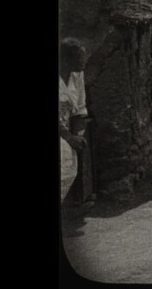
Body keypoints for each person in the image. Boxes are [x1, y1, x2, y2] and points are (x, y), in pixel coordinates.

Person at [60, 38, 89, 203]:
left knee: (70, 169)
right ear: (66, 60)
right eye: (79, 58)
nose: (83, 62)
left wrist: (78, 134)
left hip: (67, 130)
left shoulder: (77, 75)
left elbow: (79, 108)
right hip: (62, 132)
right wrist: (69, 137)